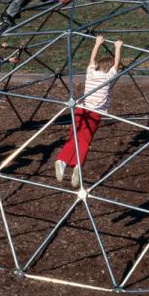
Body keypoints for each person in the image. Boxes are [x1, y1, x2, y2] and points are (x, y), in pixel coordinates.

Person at [55, 36, 123, 188]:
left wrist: (97, 43)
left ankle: (62, 160)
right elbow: (117, 64)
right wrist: (118, 47)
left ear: (98, 65)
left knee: (74, 137)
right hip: (94, 114)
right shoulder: (108, 77)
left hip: (81, 109)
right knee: (84, 140)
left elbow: (92, 59)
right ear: (109, 68)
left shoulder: (91, 73)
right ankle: (77, 165)